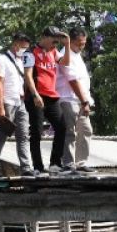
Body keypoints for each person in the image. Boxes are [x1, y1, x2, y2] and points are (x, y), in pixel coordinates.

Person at [24, 26, 69, 174]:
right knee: (37, 131)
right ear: (44, 37)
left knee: (61, 126)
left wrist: (67, 45)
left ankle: (55, 163)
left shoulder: (54, 52)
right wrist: (35, 95)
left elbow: (65, 63)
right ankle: (37, 166)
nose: (55, 44)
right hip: (37, 95)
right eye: (53, 41)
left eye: (57, 42)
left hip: (52, 96)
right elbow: (28, 76)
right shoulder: (31, 53)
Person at [0, 32, 35, 176]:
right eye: (23, 47)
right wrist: (0, 106)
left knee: (23, 135)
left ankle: (26, 167)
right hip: (7, 101)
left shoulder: (21, 61)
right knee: (2, 135)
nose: (24, 51)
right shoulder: (2, 59)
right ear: (15, 44)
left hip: (20, 101)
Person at [57, 26, 96, 173]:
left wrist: (86, 101)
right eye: (79, 43)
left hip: (81, 99)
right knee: (70, 132)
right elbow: (72, 80)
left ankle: (81, 162)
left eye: (84, 43)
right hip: (68, 98)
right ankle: (68, 163)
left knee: (86, 130)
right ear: (71, 42)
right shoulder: (64, 55)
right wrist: (84, 101)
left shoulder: (78, 55)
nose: (82, 46)